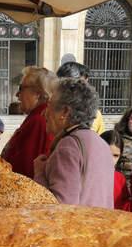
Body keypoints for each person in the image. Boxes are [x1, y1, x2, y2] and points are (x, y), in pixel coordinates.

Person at [33, 77, 113, 208]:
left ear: (65, 112)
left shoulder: (69, 146)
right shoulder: (101, 143)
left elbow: (60, 208)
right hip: (101, 225)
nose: (44, 113)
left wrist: (40, 173)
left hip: (77, 227)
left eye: (49, 106)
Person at [0, 66, 56, 177]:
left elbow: (27, 169)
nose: (17, 94)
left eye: (21, 88)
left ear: (37, 94)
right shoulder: (36, 117)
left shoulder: (39, 120)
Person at [56, 61, 105, 135]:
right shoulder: (49, 111)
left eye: (85, 83)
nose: (85, 87)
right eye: (80, 83)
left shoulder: (95, 114)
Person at [101, 130, 131, 211]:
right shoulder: (87, 175)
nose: (111, 160)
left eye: (115, 155)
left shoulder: (120, 178)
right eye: (106, 153)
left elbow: (125, 206)